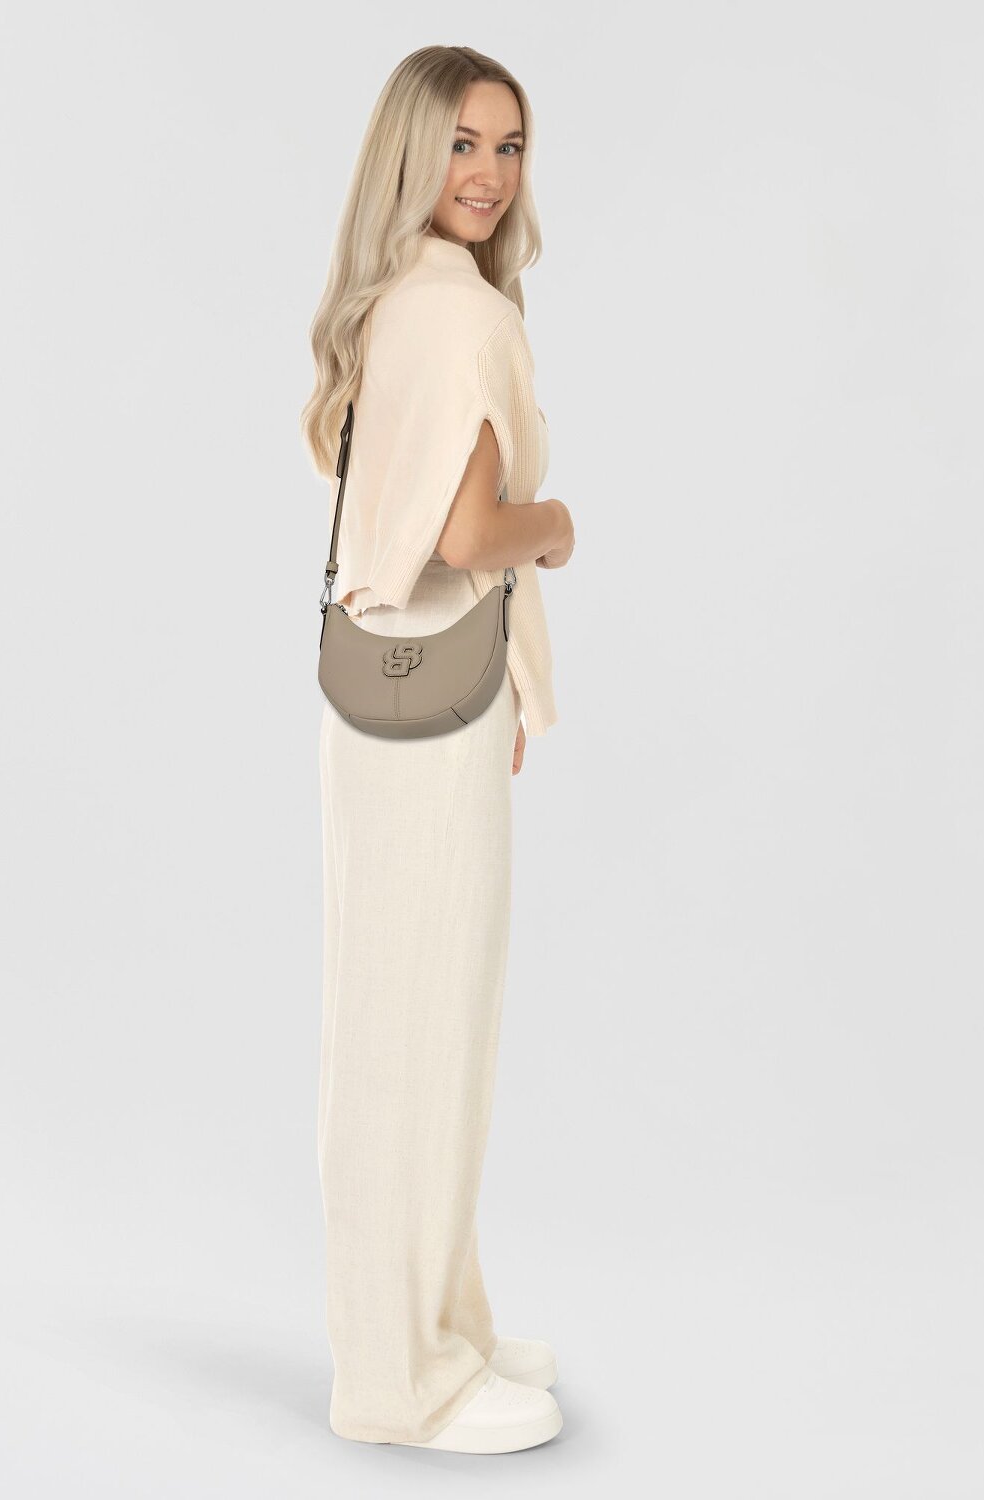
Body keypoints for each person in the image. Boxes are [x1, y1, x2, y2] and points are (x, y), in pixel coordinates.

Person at [302, 45, 576, 1455]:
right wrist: (560, 527)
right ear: (414, 152)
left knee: (394, 1029)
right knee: (426, 1040)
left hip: (374, 705)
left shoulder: (395, 301)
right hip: (437, 715)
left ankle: (438, 1324)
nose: (488, 173)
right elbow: (472, 537)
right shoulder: (464, 315)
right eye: (463, 143)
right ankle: (402, 1383)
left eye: (509, 147)